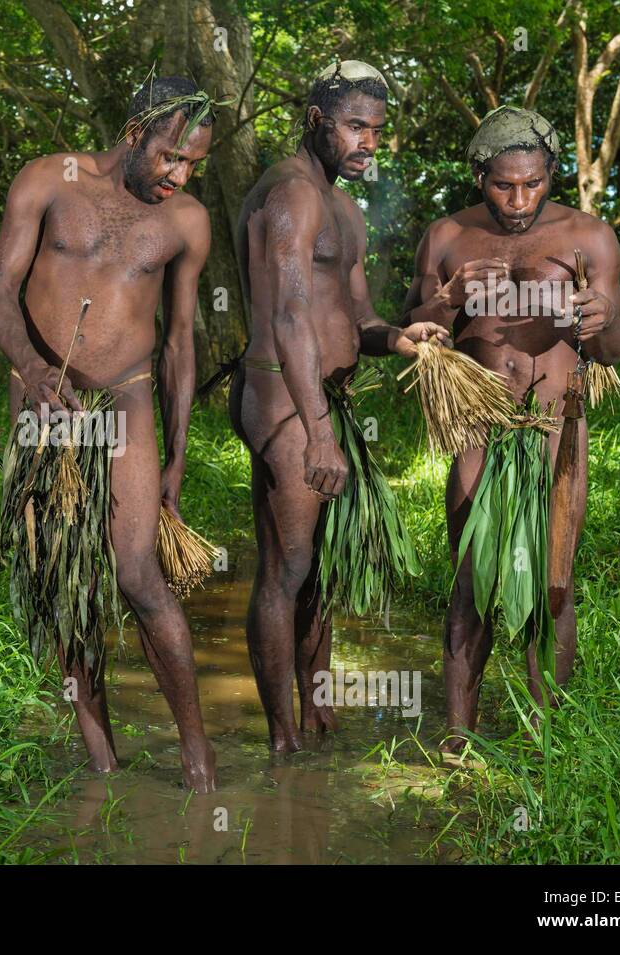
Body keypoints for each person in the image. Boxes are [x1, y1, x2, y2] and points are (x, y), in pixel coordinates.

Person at [0, 75, 219, 792]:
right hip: (46, 403)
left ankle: (199, 762)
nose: (178, 177)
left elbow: (179, 342)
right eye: (170, 157)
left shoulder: (187, 223)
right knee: (64, 579)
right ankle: (103, 763)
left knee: (138, 574)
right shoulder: (47, 181)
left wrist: (178, 454)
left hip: (128, 402)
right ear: (133, 133)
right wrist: (29, 366)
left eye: (193, 165)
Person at [229, 61, 447, 752]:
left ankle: (315, 700)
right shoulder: (291, 195)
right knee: (287, 566)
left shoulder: (344, 206)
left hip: (325, 399)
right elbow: (291, 318)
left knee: (317, 567)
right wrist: (319, 436)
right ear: (318, 121)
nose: (369, 145)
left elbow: (354, 315)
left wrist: (399, 336)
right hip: (286, 400)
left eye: (377, 132)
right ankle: (282, 735)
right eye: (356, 128)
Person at [401, 105, 620, 753]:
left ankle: (546, 740)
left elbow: (615, 346)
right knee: (470, 583)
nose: (520, 199)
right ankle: (458, 739)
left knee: (553, 586)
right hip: (480, 425)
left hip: (557, 425)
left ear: (552, 171)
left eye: (534, 183)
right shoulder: (447, 236)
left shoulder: (589, 236)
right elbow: (418, 331)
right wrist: (445, 300)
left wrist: (602, 319)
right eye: (504, 184)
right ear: (479, 175)